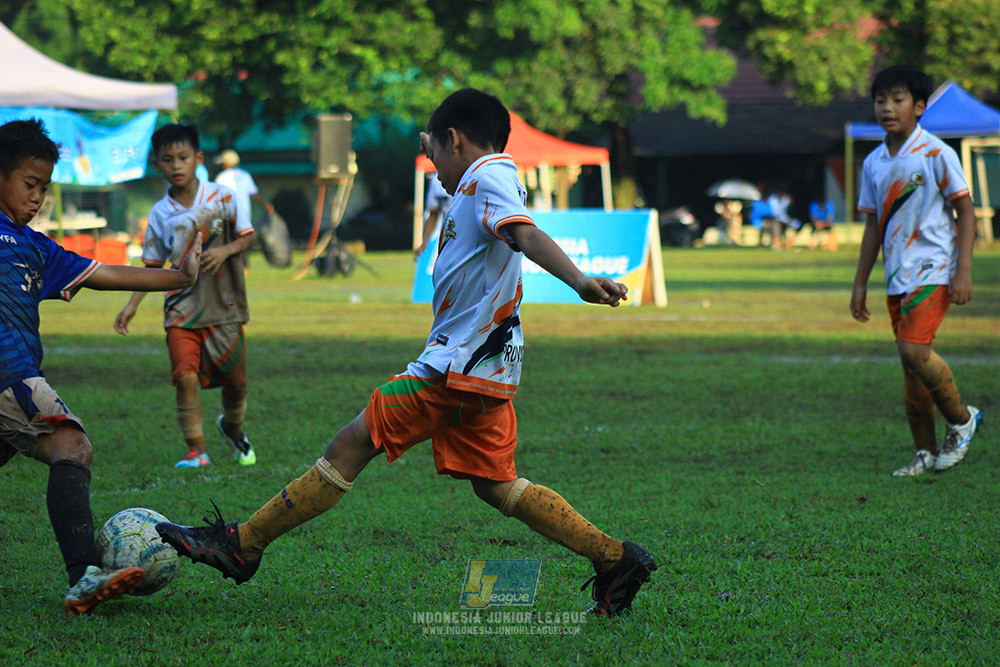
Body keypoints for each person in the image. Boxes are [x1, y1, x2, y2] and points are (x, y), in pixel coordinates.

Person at [155, 89, 657, 617]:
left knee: (352, 442)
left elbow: (525, 236)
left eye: (434, 153)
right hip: (486, 367)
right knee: (496, 484)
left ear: (456, 139)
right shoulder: (482, 176)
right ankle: (614, 558)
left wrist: (578, 279)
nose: (432, 166)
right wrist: (434, 139)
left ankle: (243, 544)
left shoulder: (486, 176)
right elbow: (476, 191)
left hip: (456, 366)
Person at [0, 118, 201, 614]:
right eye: (30, 185)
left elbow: (104, 273)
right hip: (9, 373)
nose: (39, 198)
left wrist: (178, 275)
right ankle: (83, 576)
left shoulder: (35, 245)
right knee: (71, 446)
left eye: (45, 188)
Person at [850, 65, 982, 477]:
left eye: (898, 99)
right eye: (880, 100)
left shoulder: (937, 153)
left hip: (935, 269)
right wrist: (859, 283)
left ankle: (962, 420)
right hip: (898, 277)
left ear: (919, 107)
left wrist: (963, 270)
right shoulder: (873, 163)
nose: (887, 108)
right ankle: (923, 452)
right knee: (911, 369)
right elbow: (873, 226)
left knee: (913, 350)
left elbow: (965, 210)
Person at [115, 125, 258, 469]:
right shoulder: (160, 213)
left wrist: (225, 253)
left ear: (198, 159)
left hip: (225, 305)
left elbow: (248, 238)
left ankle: (232, 428)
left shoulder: (223, 197)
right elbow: (150, 266)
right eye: (167, 160)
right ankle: (197, 451)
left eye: (183, 158)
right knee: (184, 377)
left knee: (236, 384)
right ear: (156, 164)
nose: (176, 166)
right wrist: (131, 305)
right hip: (181, 309)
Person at [214, 149, 274, 229]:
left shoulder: (221, 177)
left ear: (226, 164)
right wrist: (266, 204)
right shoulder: (245, 175)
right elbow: (253, 195)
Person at [414, 174, 452, 257]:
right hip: (450, 234)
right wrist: (425, 242)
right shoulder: (436, 180)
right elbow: (433, 213)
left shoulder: (477, 175)